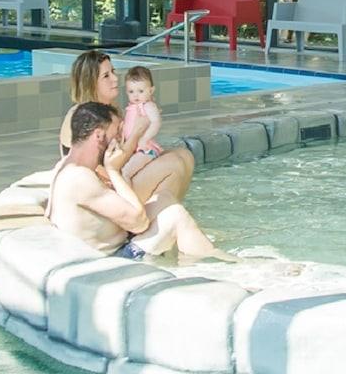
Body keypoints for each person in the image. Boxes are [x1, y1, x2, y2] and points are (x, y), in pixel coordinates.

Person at [47, 101, 228, 262]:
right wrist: (113, 170)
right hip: (111, 260)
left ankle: (200, 250)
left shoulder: (65, 167)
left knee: (165, 199)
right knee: (175, 215)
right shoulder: (80, 178)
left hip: (114, 242)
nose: (120, 140)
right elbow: (139, 222)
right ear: (99, 136)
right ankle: (218, 264)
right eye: (117, 133)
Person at [58, 49, 194, 207]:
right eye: (106, 76)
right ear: (90, 82)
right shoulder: (80, 116)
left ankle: (164, 210)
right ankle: (153, 215)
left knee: (184, 155)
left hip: (116, 176)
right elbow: (103, 165)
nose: (115, 78)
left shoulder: (110, 109)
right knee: (174, 164)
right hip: (100, 189)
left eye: (113, 71)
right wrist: (138, 131)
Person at [119, 65, 165, 179]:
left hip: (145, 149)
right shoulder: (132, 107)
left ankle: (125, 188)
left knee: (127, 172)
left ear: (151, 90)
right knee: (125, 170)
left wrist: (144, 139)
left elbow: (156, 122)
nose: (136, 95)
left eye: (140, 91)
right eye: (131, 91)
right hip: (134, 148)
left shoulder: (147, 105)